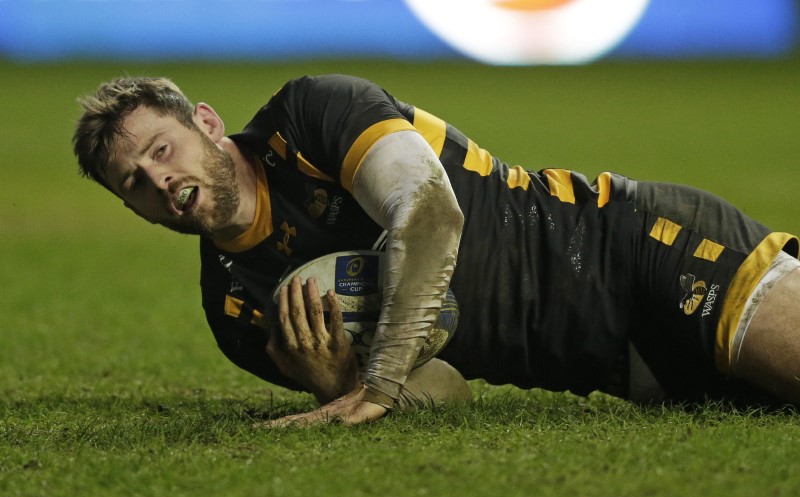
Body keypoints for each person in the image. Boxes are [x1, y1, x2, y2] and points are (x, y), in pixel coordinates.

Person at [72, 74, 800, 427]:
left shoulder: (315, 114)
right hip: (622, 368)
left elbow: (431, 214)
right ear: (132, 208)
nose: (162, 180)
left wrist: (376, 381)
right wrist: (343, 384)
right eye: (134, 182)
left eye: (163, 150)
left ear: (205, 121)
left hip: (636, 249)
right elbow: (447, 388)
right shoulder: (238, 308)